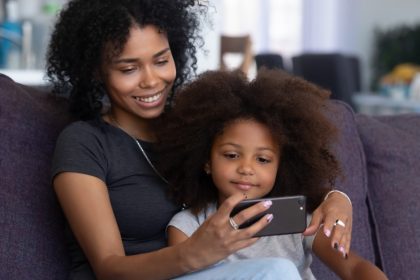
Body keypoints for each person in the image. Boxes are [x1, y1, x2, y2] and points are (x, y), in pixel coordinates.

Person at [47, 0, 353, 279]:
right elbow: (108, 268)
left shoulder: (194, 128)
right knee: (277, 272)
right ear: (96, 71)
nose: (151, 80)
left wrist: (335, 198)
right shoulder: (84, 143)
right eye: (129, 68)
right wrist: (194, 253)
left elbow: (262, 168)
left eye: (161, 60)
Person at [156, 69, 387, 280]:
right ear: (206, 161)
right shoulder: (187, 226)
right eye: (231, 155)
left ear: (281, 167)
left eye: (263, 159)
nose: (246, 168)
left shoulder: (298, 221)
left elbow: (353, 267)